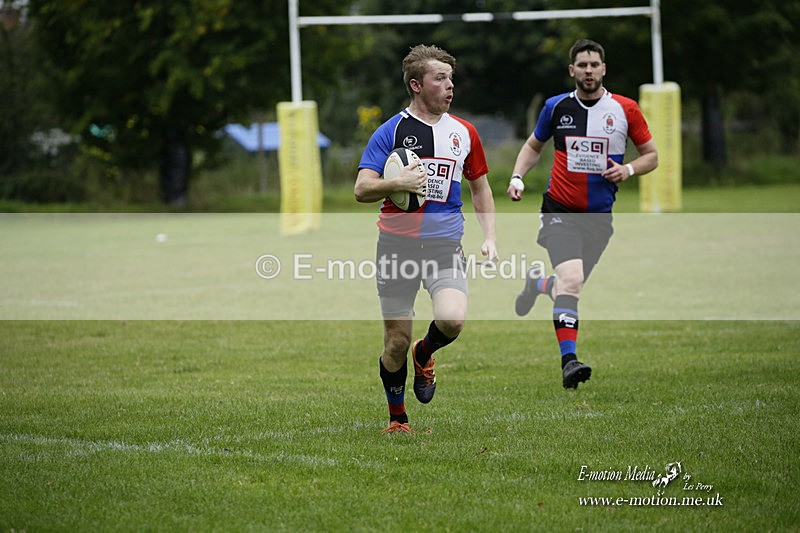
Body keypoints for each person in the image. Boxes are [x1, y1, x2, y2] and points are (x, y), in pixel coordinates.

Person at [355, 44, 498, 433]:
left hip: (443, 246)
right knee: (394, 342)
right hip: (396, 247)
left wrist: (490, 237)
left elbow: (480, 188)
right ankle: (398, 418)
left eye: (451, 78)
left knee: (451, 319)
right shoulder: (392, 131)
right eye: (441, 78)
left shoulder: (464, 133)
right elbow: (361, 189)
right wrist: (395, 182)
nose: (450, 86)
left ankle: (426, 352)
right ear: (417, 85)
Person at [507, 39, 658, 389]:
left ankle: (537, 284)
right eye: (582, 65)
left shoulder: (625, 109)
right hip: (559, 209)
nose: (588, 70)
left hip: (599, 218)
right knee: (572, 281)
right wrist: (516, 176)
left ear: (603, 69)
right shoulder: (556, 107)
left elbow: (652, 155)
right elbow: (533, 146)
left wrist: (629, 170)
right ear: (572, 70)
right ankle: (569, 362)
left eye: (594, 65)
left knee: (567, 287)